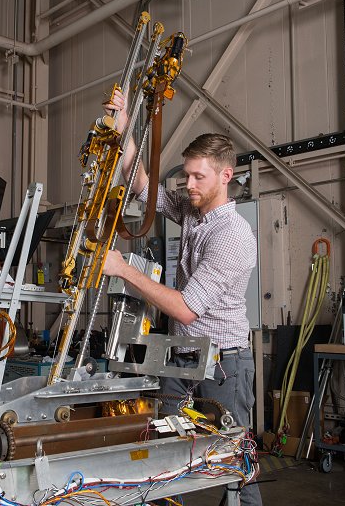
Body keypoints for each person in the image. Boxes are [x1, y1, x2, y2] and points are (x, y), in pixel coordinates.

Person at [101, 89, 262, 506]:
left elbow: (187, 309)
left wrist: (122, 270)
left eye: (197, 177)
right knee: (166, 454)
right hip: (182, 356)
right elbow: (141, 185)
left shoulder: (231, 235)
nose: (188, 184)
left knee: (232, 466)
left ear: (225, 176)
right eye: (186, 176)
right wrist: (123, 128)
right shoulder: (193, 211)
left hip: (222, 364)